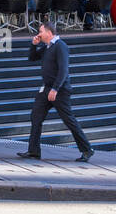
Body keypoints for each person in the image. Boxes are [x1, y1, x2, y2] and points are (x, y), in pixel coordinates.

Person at [16, 20, 93, 162]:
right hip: (46, 89)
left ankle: (87, 149)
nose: (39, 34)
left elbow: (64, 70)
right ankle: (33, 151)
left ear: (49, 33)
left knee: (69, 120)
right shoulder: (47, 47)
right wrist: (33, 45)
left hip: (59, 90)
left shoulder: (60, 46)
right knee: (36, 117)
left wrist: (55, 89)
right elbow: (32, 58)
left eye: (41, 31)